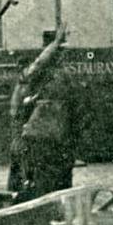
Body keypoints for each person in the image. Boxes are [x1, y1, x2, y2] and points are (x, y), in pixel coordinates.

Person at [8, 24, 67, 198]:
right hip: (24, 131)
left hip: (26, 131)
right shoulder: (28, 79)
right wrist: (55, 44)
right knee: (28, 173)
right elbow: (40, 63)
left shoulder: (38, 78)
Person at [19, 65, 75, 201]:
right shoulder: (49, 100)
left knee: (47, 176)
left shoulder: (42, 99)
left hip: (46, 137)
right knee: (52, 176)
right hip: (50, 137)